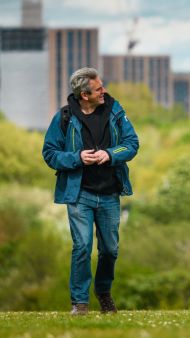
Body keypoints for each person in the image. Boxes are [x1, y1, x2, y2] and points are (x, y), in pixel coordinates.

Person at [42, 67, 139, 315]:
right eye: (98, 89)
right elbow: (50, 154)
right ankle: (80, 303)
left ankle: (103, 292)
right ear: (84, 95)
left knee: (110, 249)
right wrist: (77, 158)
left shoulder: (116, 111)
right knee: (82, 247)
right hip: (79, 194)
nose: (103, 91)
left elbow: (132, 144)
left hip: (109, 193)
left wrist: (109, 154)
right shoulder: (63, 117)